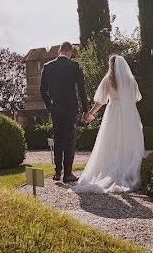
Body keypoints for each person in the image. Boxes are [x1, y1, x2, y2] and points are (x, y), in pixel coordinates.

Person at [74, 54, 145, 193]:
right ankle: (128, 170)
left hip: (113, 113)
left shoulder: (108, 80)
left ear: (110, 65)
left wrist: (91, 113)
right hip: (129, 114)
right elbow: (136, 98)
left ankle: (111, 168)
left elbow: (100, 101)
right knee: (128, 141)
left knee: (111, 142)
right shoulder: (131, 80)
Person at [39, 42, 88, 182]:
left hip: (56, 109)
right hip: (71, 109)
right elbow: (81, 90)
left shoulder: (48, 67)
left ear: (59, 51)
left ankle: (57, 173)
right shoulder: (74, 66)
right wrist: (85, 110)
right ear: (70, 52)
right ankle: (68, 174)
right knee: (70, 140)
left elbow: (42, 90)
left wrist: (50, 105)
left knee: (58, 138)